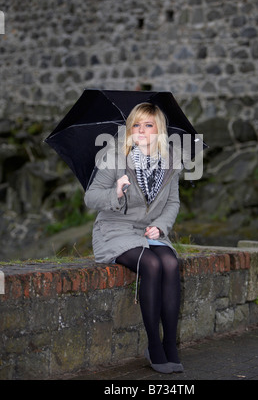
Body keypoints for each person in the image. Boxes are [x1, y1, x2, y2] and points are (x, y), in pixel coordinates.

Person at [84, 102, 183, 374]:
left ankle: (170, 344)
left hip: (148, 232)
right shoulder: (115, 157)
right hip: (114, 230)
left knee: (171, 264)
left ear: (158, 130)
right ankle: (154, 346)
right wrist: (115, 192)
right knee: (151, 264)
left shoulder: (171, 162)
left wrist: (161, 227)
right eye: (136, 125)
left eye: (148, 125)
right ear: (129, 129)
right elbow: (90, 197)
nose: (141, 130)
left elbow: (173, 203)